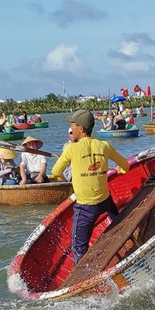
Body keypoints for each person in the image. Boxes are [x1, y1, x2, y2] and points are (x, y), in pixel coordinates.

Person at [50, 111, 131, 261]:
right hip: (106, 201)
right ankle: (129, 241)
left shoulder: (71, 149)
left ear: (80, 129)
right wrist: (119, 170)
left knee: (79, 249)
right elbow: (125, 166)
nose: (70, 128)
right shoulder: (104, 145)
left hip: (85, 207)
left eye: (72, 125)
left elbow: (55, 171)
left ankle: (81, 277)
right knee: (119, 224)